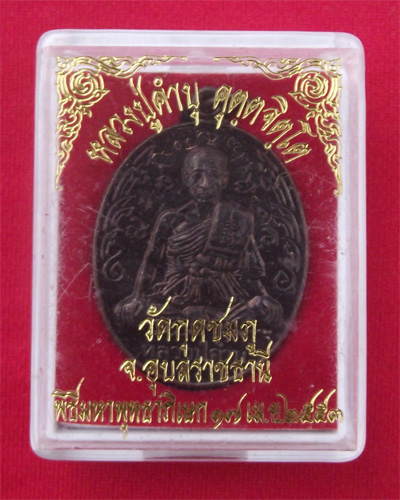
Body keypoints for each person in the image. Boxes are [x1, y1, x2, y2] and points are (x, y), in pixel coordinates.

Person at [115, 146, 282, 327]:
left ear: (224, 179)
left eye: (214, 175)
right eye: (197, 176)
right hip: (173, 301)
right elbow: (151, 264)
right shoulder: (170, 220)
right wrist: (137, 298)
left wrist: (264, 299)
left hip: (226, 304)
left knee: (261, 311)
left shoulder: (238, 219)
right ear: (186, 178)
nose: (205, 184)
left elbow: (252, 275)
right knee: (127, 312)